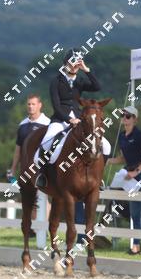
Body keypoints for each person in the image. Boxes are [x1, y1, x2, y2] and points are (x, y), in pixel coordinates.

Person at [36, 49, 102, 189]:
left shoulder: (80, 81)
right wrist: (69, 119)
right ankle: (42, 174)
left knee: (104, 145)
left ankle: (99, 175)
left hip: (80, 119)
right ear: (65, 63)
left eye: (77, 63)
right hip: (60, 119)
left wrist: (86, 70)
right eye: (72, 63)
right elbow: (56, 106)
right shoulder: (56, 81)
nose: (74, 66)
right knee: (46, 142)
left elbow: (97, 87)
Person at [106, 106, 141, 255]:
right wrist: (107, 161)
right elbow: (123, 158)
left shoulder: (140, 135)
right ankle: (136, 247)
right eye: (123, 115)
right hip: (131, 178)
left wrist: (137, 171)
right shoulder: (122, 136)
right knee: (134, 214)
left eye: (128, 116)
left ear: (135, 119)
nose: (124, 118)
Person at [8, 93, 50, 180]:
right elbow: (18, 150)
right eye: (29, 104)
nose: (30, 106)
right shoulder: (22, 124)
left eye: (33, 104)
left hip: (42, 172)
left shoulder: (47, 124)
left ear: (39, 105)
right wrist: (13, 169)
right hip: (24, 171)